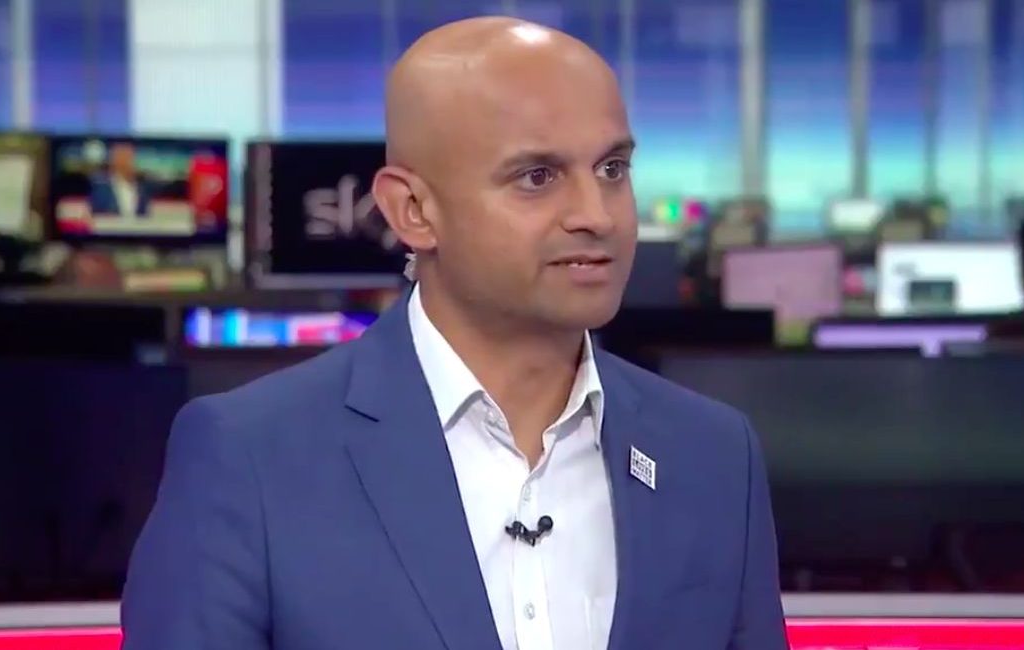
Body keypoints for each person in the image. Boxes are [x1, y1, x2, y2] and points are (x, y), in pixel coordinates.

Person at [121, 17, 788, 650]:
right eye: (537, 177)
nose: (598, 215)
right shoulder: (250, 458)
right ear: (413, 210)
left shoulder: (712, 454)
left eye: (612, 169)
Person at [89, 142, 152, 217]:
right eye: (121, 157)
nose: (125, 161)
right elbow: (97, 214)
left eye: (128, 157)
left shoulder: (141, 187)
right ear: (113, 160)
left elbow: (144, 214)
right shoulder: (100, 187)